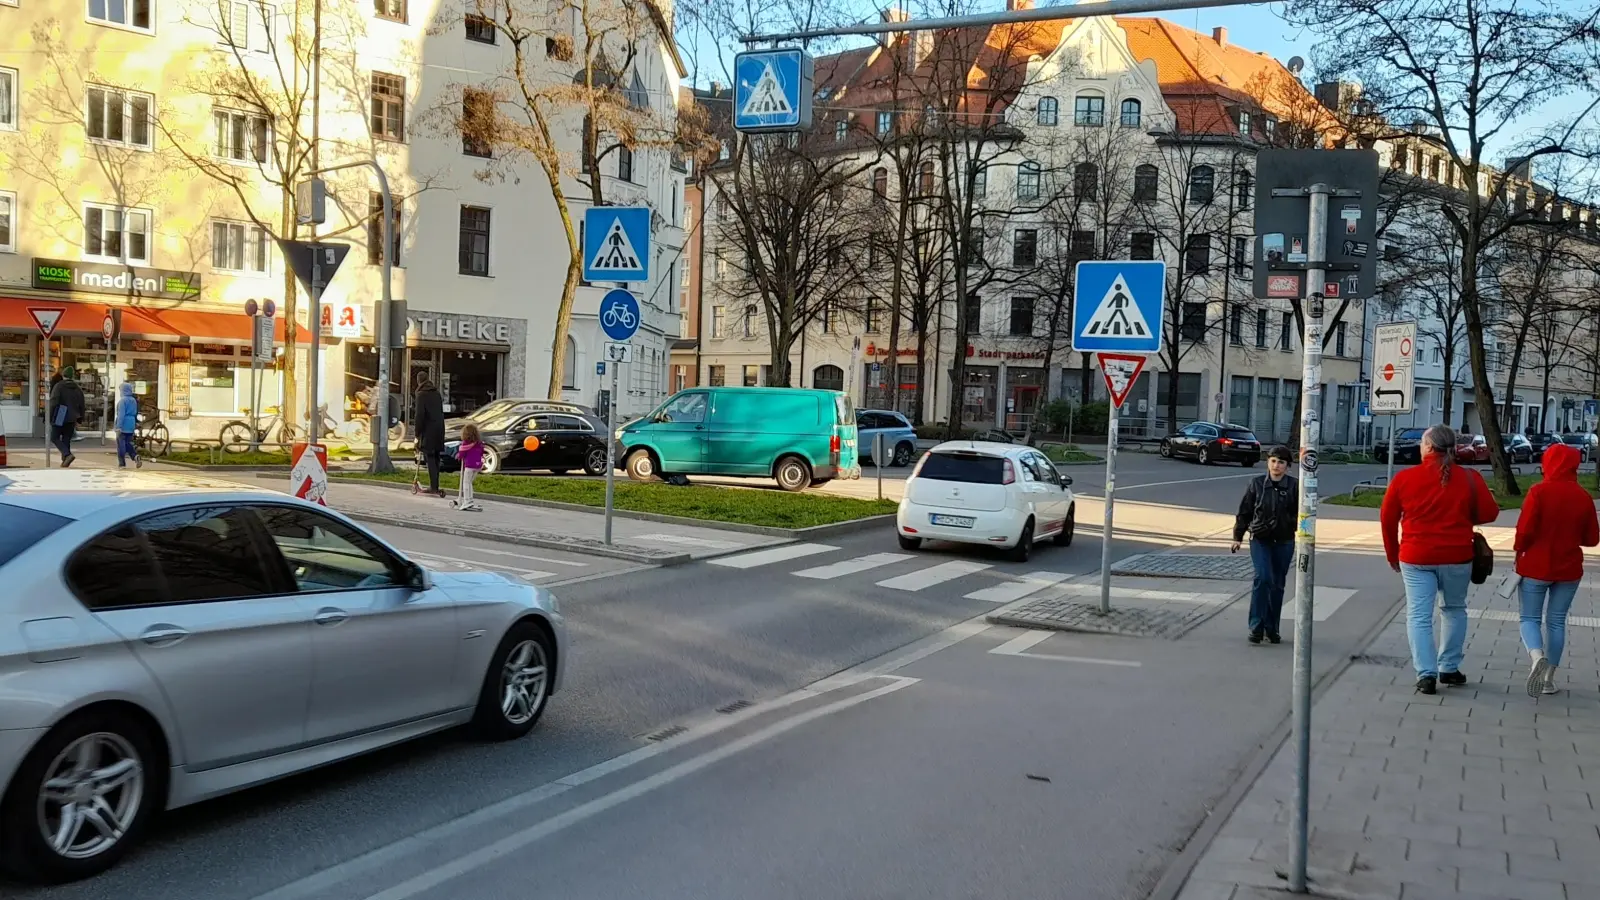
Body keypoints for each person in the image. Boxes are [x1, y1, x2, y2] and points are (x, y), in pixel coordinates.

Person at [1380, 424, 1499, 695]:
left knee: (1419, 616)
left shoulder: (1404, 479)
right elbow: (1490, 513)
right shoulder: (1470, 478)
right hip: (1458, 556)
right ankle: (1449, 667)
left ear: (1428, 447)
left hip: (1416, 556)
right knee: (1454, 609)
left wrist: (1393, 554)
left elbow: (1387, 519)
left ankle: (1426, 674)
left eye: (1422, 441)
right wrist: (1460, 515)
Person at [1513, 442, 1599, 697]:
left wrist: (1519, 549)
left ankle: (1536, 656)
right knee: (1557, 621)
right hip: (1569, 568)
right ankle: (1549, 678)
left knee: (1529, 618)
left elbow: (1525, 530)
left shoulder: (1538, 491)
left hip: (1535, 567)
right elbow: (1592, 539)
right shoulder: (1583, 496)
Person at [1232, 445, 1299, 645]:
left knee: (1277, 584)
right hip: (1260, 539)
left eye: (1281, 462)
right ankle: (1256, 627)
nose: (1276, 465)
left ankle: (1272, 628)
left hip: (1285, 540)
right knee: (1262, 578)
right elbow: (1244, 511)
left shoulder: (1295, 486)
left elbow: (1303, 514)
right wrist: (1238, 536)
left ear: (1288, 466)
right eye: (1273, 461)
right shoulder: (1257, 484)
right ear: (1267, 462)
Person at [47, 366, 86, 468]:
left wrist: (49, 416)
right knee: (66, 438)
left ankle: (67, 455)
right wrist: (80, 418)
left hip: (61, 413)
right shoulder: (77, 388)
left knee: (54, 437)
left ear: (63, 375)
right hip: (73, 416)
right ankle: (65, 461)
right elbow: (82, 403)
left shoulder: (59, 386)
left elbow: (53, 402)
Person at [414, 378, 446, 496]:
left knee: (430, 458)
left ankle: (433, 487)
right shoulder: (437, 394)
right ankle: (435, 485)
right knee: (436, 458)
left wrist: (417, 433)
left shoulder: (421, 395)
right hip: (439, 430)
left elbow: (419, 415)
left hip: (428, 431)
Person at [452, 422, 486, 512]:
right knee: (470, 482)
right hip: (478, 465)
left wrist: (458, 456)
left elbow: (462, 453)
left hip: (470, 466)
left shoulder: (465, 444)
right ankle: (470, 499)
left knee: (466, 483)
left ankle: (467, 500)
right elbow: (482, 451)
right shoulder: (478, 443)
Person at [114, 382, 141, 469]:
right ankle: (135, 456)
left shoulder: (122, 401)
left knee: (121, 444)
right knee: (128, 443)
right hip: (131, 424)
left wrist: (118, 426)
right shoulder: (133, 400)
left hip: (124, 424)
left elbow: (121, 415)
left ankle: (122, 463)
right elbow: (135, 412)